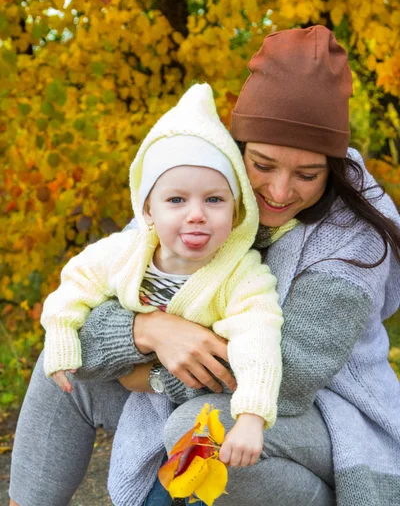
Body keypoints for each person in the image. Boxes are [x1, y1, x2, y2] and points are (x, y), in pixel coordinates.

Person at [9, 25, 400, 506]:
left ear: (333, 170)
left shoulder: (351, 240)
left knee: (202, 430)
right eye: (263, 165)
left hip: (320, 416)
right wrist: (149, 331)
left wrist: (148, 374)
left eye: (307, 174)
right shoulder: (204, 190)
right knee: (60, 367)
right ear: (238, 153)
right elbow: (93, 309)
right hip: (204, 386)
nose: (279, 192)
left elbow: (292, 376)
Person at [39, 82, 284, 505]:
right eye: (176, 199)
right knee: (59, 378)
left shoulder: (240, 273)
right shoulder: (127, 253)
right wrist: (62, 335)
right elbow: (75, 283)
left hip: (202, 411)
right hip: (142, 407)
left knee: (176, 489)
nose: (196, 215)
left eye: (213, 199)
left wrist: (251, 417)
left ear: (236, 207)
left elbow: (259, 337)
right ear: (148, 209)